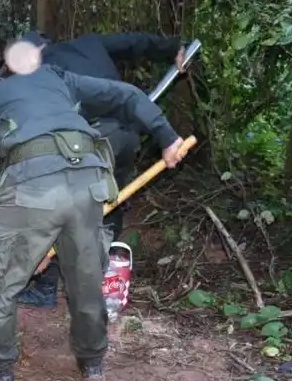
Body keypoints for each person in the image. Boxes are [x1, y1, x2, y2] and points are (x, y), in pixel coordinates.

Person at [0, 53, 188, 381]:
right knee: (86, 275)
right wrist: (167, 137)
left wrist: (20, 244)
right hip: (90, 182)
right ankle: (92, 362)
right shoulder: (52, 76)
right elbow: (127, 94)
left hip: (32, 189)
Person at [13, 29, 188, 308]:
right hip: (128, 135)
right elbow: (135, 40)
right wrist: (172, 47)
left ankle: (48, 288)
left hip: (94, 140)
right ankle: (101, 274)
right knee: (111, 202)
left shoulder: (44, 73)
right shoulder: (89, 43)